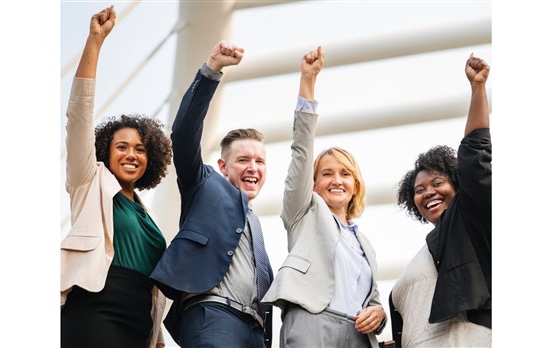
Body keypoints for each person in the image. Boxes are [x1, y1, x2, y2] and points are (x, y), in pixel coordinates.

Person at [60, 6, 172, 348]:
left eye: (140, 149)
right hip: (95, 307)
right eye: (122, 146)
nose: (131, 155)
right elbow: (79, 115)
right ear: (105, 152)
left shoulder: (147, 216)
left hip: (139, 318)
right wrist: (95, 41)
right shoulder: (88, 182)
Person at [149, 40, 273, 347]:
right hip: (214, 316)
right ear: (222, 166)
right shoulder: (203, 184)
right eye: (243, 160)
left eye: (260, 161)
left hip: (255, 331)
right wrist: (212, 70)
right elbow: (184, 134)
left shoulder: (254, 224)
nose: (253, 168)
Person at [261, 47, 387, 348]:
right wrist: (308, 82)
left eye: (345, 174)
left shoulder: (363, 242)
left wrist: (378, 313)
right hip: (313, 322)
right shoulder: (304, 213)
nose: (336, 180)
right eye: (327, 174)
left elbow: (373, 298)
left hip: (357, 335)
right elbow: (302, 151)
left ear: (355, 185)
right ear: (314, 185)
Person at [389, 54, 491, 347]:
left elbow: (475, 156)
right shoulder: (427, 250)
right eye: (419, 190)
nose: (428, 192)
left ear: (458, 186)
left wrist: (477, 89)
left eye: (437, 183)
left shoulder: (469, 222)